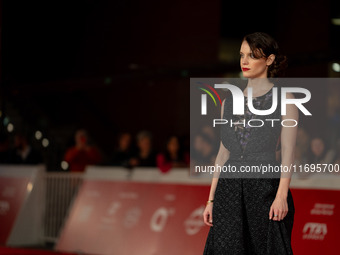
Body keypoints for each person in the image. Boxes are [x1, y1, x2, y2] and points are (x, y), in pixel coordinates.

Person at [203, 32, 297, 254]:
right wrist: (211, 200)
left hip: (265, 190)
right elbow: (222, 154)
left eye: (252, 55)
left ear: (270, 60)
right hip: (229, 191)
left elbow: (289, 152)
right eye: (242, 55)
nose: (244, 61)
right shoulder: (229, 102)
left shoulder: (286, 98)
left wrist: (281, 196)